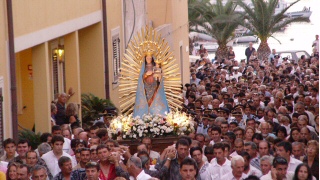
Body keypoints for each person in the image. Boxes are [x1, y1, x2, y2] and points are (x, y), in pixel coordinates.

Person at [133, 50, 169, 117]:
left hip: (154, 87)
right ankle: (145, 116)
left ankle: (156, 116)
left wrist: (159, 76)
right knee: (146, 102)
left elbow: (159, 78)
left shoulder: (155, 67)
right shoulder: (143, 68)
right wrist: (146, 74)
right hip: (146, 88)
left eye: (150, 58)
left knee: (154, 100)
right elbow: (141, 78)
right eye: (147, 58)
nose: (148, 59)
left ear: (152, 58)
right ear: (145, 58)